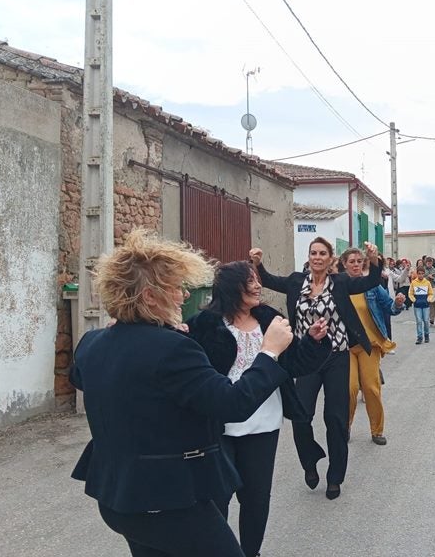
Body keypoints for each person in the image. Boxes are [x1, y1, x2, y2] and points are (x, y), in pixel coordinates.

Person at [70, 230, 328, 557]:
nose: (182, 296)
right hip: (167, 501)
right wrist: (269, 353)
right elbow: (232, 404)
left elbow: (84, 377)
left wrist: (139, 328)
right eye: (176, 288)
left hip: (116, 500)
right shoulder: (174, 348)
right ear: (150, 296)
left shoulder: (93, 344)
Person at [185, 261, 328, 557]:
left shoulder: (269, 320)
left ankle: (251, 552)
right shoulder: (204, 325)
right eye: (248, 281)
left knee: (256, 498)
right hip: (219, 426)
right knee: (217, 498)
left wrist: (314, 341)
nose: (256, 285)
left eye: (256, 280)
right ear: (230, 287)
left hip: (264, 425)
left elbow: (296, 364)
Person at [250, 239, 383, 501]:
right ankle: (310, 462)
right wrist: (257, 262)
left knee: (335, 418)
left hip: (337, 356)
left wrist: (374, 259)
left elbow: (371, 281)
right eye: (313, 253)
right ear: (309, 256)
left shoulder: (341, 283)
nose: (317, 257)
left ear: (330, 258)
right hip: (305, 357)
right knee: (301, 415)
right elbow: (266, 279)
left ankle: (335, 477)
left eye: (322, 253)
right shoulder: (296, 281)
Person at [340, 249, 405, 446]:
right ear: (344, 264)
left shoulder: (372, 286)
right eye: (352, 261)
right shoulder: (337, 286)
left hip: (370, 345)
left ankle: (377, 430)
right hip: (345, 347)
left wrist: (399, 303)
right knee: (349, 389)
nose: (356, 264)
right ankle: (345, 427)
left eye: (359, 261)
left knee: (371, 389)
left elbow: (390, 308)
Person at [408, 265, 435, 344]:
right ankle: (419, 337)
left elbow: (431, 293)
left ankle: (426, 335)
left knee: (426, 320)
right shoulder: (413, 283)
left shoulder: (427, 283)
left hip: (426, 305)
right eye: (419, 273)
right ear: (417, 274)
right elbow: (410, 293)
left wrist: (428, 299)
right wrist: (414, 300)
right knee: (419, 321)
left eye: (422, 273)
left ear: (424, 274)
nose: (421, 275)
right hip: (417, 305)